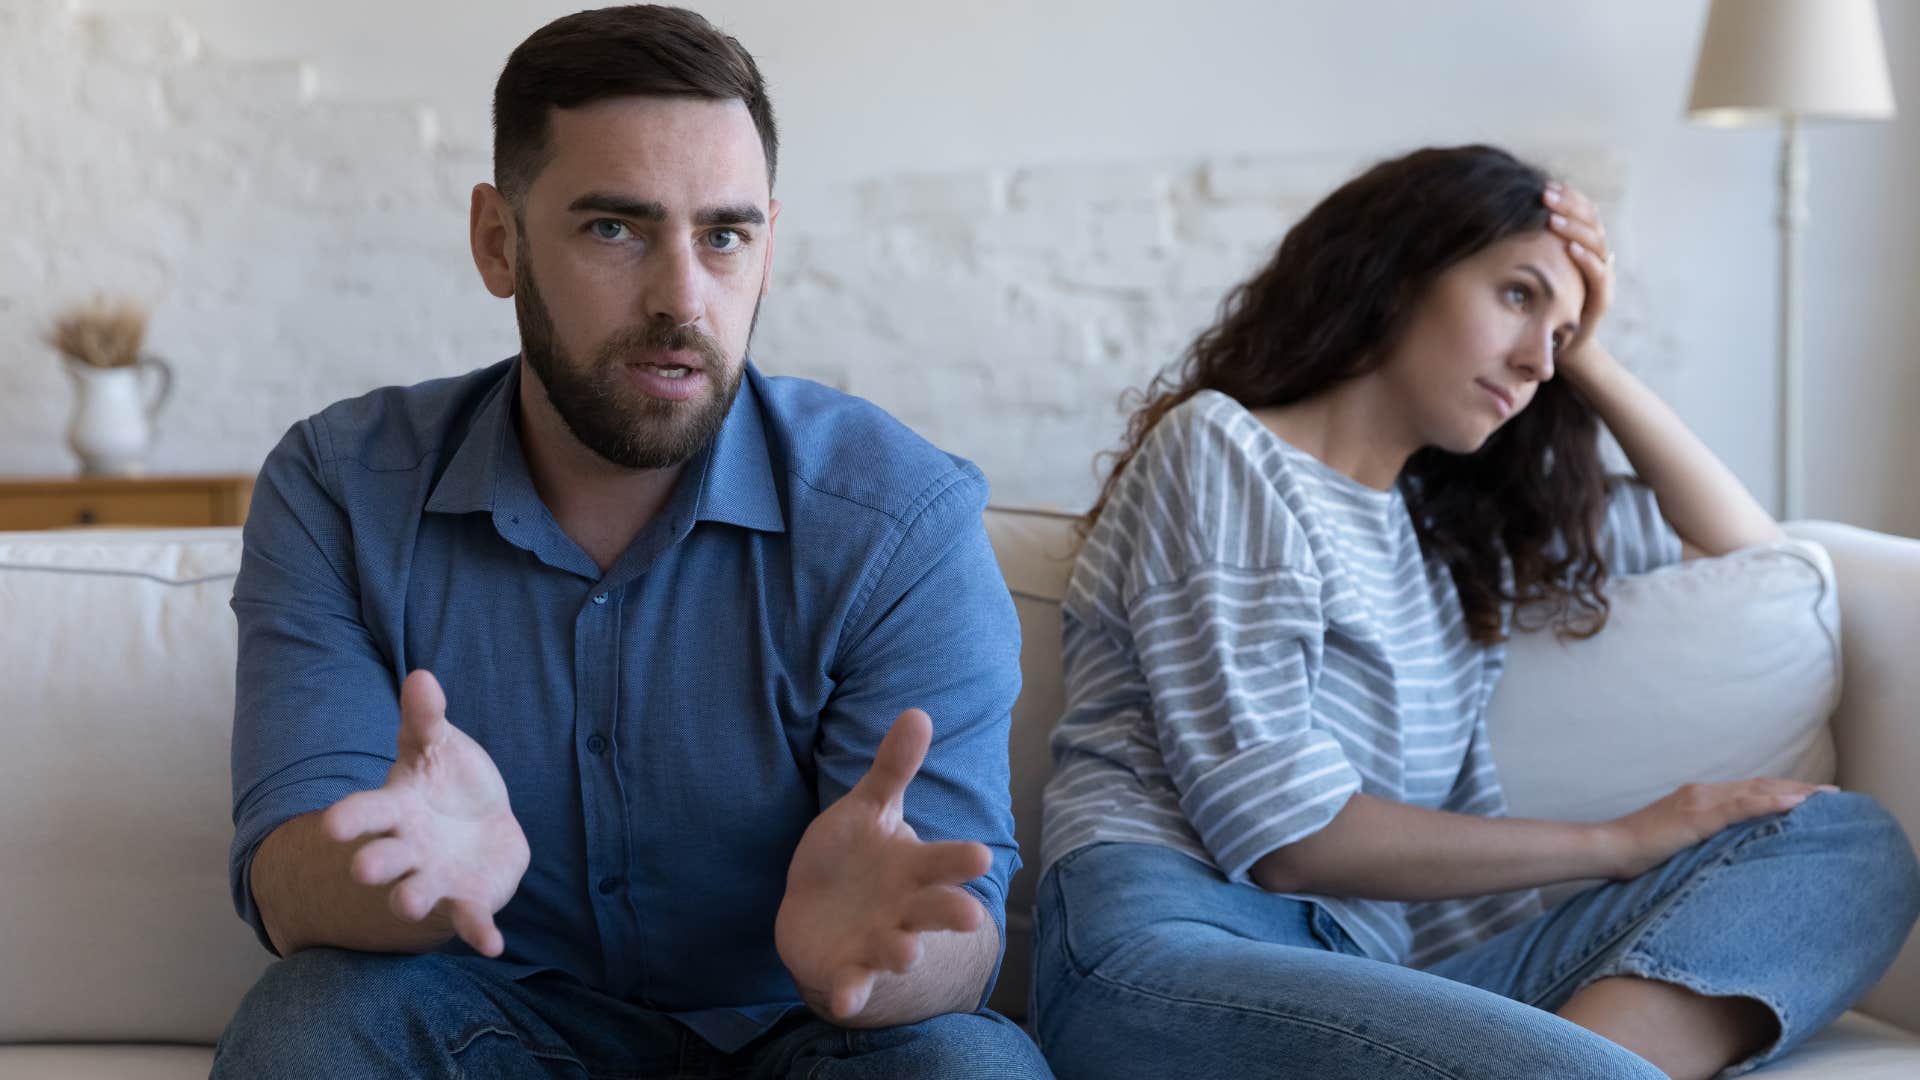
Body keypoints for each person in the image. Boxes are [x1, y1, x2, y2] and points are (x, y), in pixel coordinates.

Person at [211, 7, 1053, 1078]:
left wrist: (883, 960)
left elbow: (958, 943)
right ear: (498, 241)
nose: (681, 300)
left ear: (767, 245)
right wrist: (396, 877)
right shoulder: (342, 490)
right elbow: (287, 882)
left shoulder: (897, 520)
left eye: (723, 235)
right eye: (615, 228)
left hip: (801, 1045)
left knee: (965, 1065)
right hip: (488, 1028)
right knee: (313, 1018)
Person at [1031, 144, 1920, 1080]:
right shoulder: (1222, 450)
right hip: (1176, 951)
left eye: (1563, 335)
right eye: (1518, 296)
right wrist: (1620, 842)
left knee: (1848, 847)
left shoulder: (1454, 541)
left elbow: (1750, 554)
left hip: (1388, 980)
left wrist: (1594, 360)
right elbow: (1289, 838)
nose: (1538, 358)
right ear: (1398, 270)